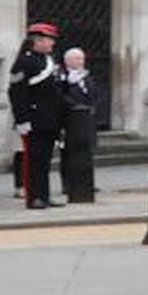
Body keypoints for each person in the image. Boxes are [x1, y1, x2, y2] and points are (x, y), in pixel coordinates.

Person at [8, 23, 61, 208]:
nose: (52, 43)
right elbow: (17, 93)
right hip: (33, 118)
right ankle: (33, 197)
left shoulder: (49, 61)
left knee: (45, 160)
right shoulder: (23, 62)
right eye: (49, 40)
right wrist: (22, 120)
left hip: (49, 119)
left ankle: (44, 195)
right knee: (33, 160)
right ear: (37, 41)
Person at [56, 47, 101, 202]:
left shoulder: (86, 76)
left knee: (87, 151)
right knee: (68, 153)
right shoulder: (62, 76)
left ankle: (86, 182)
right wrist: (75, 105)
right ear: (68, 61)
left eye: (82, 58)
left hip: (86, 119)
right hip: (70, 120)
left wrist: (92, 106)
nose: (81, 61)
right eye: (77, 58)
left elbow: (94, 93)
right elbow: (61, 95)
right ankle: (68, 183)